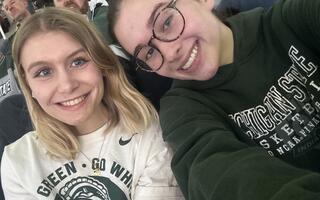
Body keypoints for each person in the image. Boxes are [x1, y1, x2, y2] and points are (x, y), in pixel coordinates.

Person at [107, 0, 320, 199]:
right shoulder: (182, 112)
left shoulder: (291, 22)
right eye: (149, 53)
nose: (170, 54)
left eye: (167, 22)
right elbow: (217, 174)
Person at [1, 7, 183, 199]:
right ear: (28, 86)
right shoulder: (17, 161)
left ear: (102, 63)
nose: (66, 86)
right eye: (44, 72)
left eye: (78, 62)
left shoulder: (150, 136)